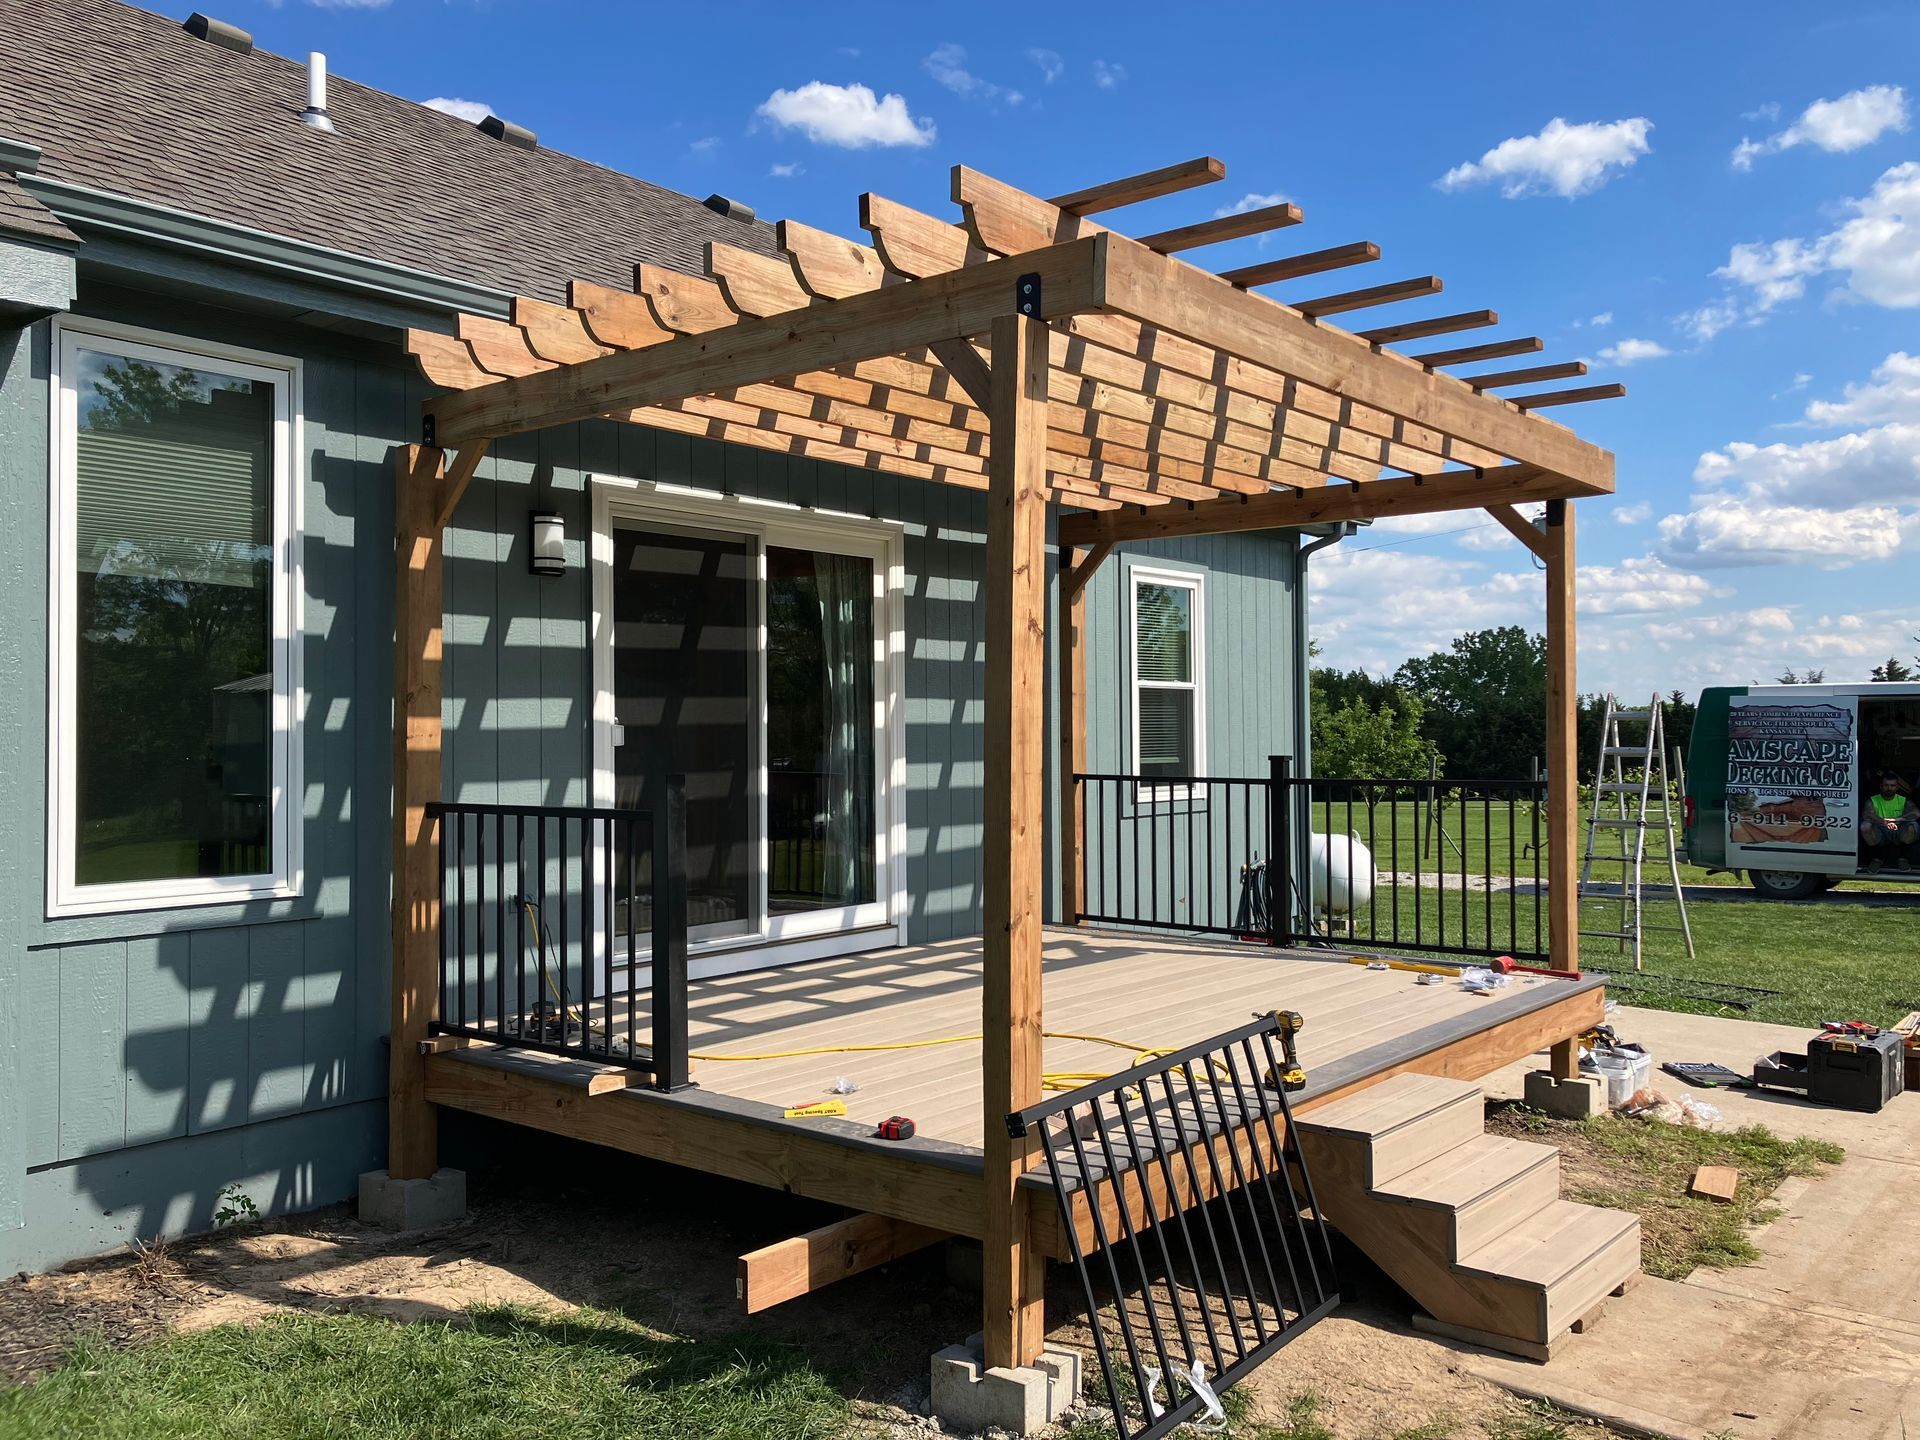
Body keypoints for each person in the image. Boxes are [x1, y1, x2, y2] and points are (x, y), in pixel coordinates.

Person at [1860, 771, 1919, 872]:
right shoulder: (1872, 800)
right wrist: (1884, 822)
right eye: (1886, 785)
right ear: (1881, 786)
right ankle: (1877, 858)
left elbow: (1916, 813)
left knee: (1912, 826)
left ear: (1897, 787)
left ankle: (1902, 858)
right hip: (1880, 830)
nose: (1889, 788)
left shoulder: (1904, 800)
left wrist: (1896, 820)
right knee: (1865, 826)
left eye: (1892, 785)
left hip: (1899, 829)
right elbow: (1867, 814)